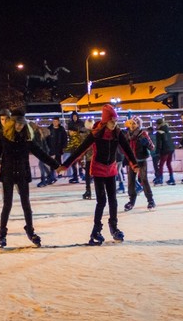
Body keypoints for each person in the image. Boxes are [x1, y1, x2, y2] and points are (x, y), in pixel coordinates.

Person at [0, 110, 60, 248]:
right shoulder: (4, 137)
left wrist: (56, 166)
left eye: (22, 124)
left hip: (22, 174)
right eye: (17, 124)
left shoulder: (26, 139)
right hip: (8, 175)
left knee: (26, 204)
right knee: (7, 205)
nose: (19, 127)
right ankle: (2, 234)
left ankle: (30, 230)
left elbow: (40, 153)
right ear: (12, 123)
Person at [59, 104, 137, 245]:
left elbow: (127, 149)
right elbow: (80, 150)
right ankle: (96, 230)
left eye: (115, 121)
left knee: (113, 200)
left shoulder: (117, 133)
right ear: (106, 121)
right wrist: (66, 165)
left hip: (111, 170)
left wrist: (134, 163)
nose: (115, 124)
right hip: (99, 170)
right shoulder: (96, 133)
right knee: (102, 201)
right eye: (112, 121)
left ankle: (113, 227)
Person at [124, 116, 155, 210]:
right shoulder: (128, 134)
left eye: (134, 123)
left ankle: (151, 201)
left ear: (138, 124)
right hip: (132, 161)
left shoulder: (143, 133)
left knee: (144, 180)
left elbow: (152, 147)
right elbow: (125, 147)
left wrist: (146, 144)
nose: (132, 125)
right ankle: (131, 202)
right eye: (131, 123)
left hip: (141, 160)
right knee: (131, 182)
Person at [155, 117, 176, 186]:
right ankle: (172, 178)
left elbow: (159, 143)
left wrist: (157, 152)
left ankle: (160, 179)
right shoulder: (167, 130)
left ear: (158, 124)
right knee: (168, 164)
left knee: (161, 165)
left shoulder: (159, 132)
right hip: (171, 149)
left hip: (164, 150)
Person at [46, 116, 67, 184]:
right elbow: (46, 139)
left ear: (58, 122)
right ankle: (52, 176)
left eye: (56, 121)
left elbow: (64, 138)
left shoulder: (61, 129)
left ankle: (59, 173)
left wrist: (64, 146)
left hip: (59, 148)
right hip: (51, 148)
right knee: (51, 162)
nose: (55, 122)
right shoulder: (49, 129)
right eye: (54, 121)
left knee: (58, 161)